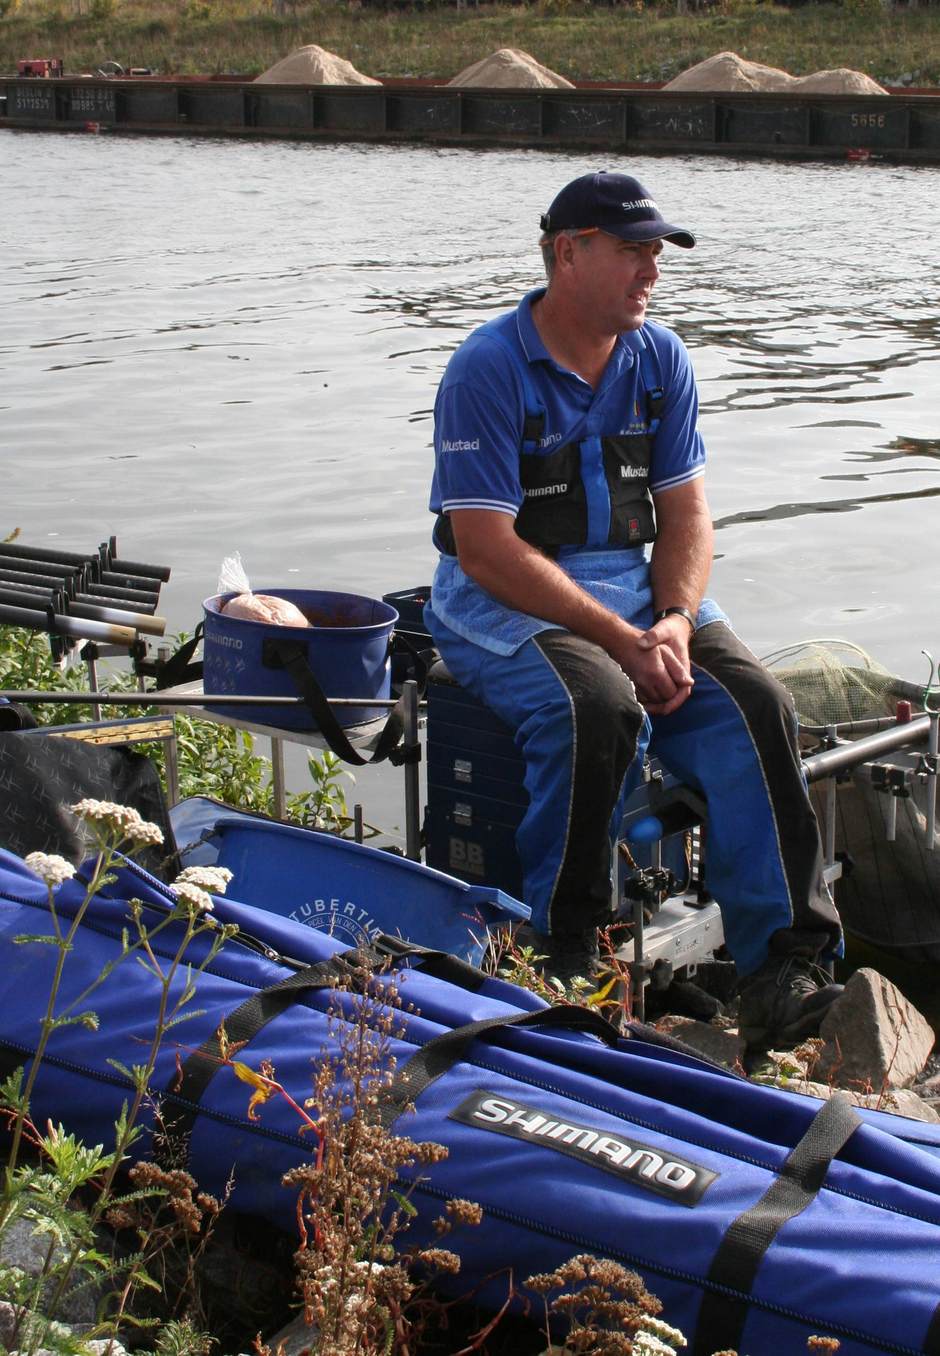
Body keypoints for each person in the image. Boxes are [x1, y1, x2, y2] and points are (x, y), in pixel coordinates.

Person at [424, 170, 843, 1049]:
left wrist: (675, 624)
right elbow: (484, 547)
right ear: (565, 253)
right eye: (631, 251)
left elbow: (688, 515)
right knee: (596, 708)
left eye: (657, 252)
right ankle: (567, 949)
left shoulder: (662, 359)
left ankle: (784, 964)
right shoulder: (488, 368)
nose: (651, 269)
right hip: (502, 604)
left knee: (756, 707)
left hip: (640, 597)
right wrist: (620, 642)